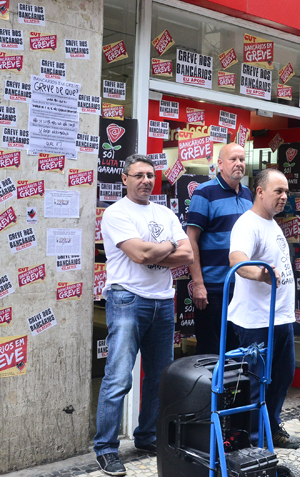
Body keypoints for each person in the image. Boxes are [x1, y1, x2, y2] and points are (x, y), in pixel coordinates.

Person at [96, 155, 194, 476]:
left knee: (158, 377)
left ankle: (147, 436)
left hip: (163, 301)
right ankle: (106, 448)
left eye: (150, 175)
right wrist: (168, 244)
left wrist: (155, 250)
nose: (146, 181)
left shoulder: (164, 213)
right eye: (138, 175)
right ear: (125, 179)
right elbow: (139, 254)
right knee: (119, 376)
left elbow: (188, 254)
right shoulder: (116, 213)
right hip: (127, 299)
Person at [228, 169, 300, 449]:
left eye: (286, 192)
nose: (284, 197)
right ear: (259, 191)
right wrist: (259, 274)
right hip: (255, 321)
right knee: (256, 383)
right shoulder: (248, 224)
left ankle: (271, 427)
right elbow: (237, 260)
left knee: (282, 377)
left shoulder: (272, 223)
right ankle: (253, 441)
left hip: (280, 318)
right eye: (278, 191)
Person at [186, 143, 253, 355]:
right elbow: (191, 240)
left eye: (242, 159)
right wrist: (198, 284)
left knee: (237, 352)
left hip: (242, 288)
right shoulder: (204, 192)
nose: (239, 164)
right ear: (220, 164)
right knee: (211, 353)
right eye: (233, 159)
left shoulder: (248, 194)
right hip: (213, 290)